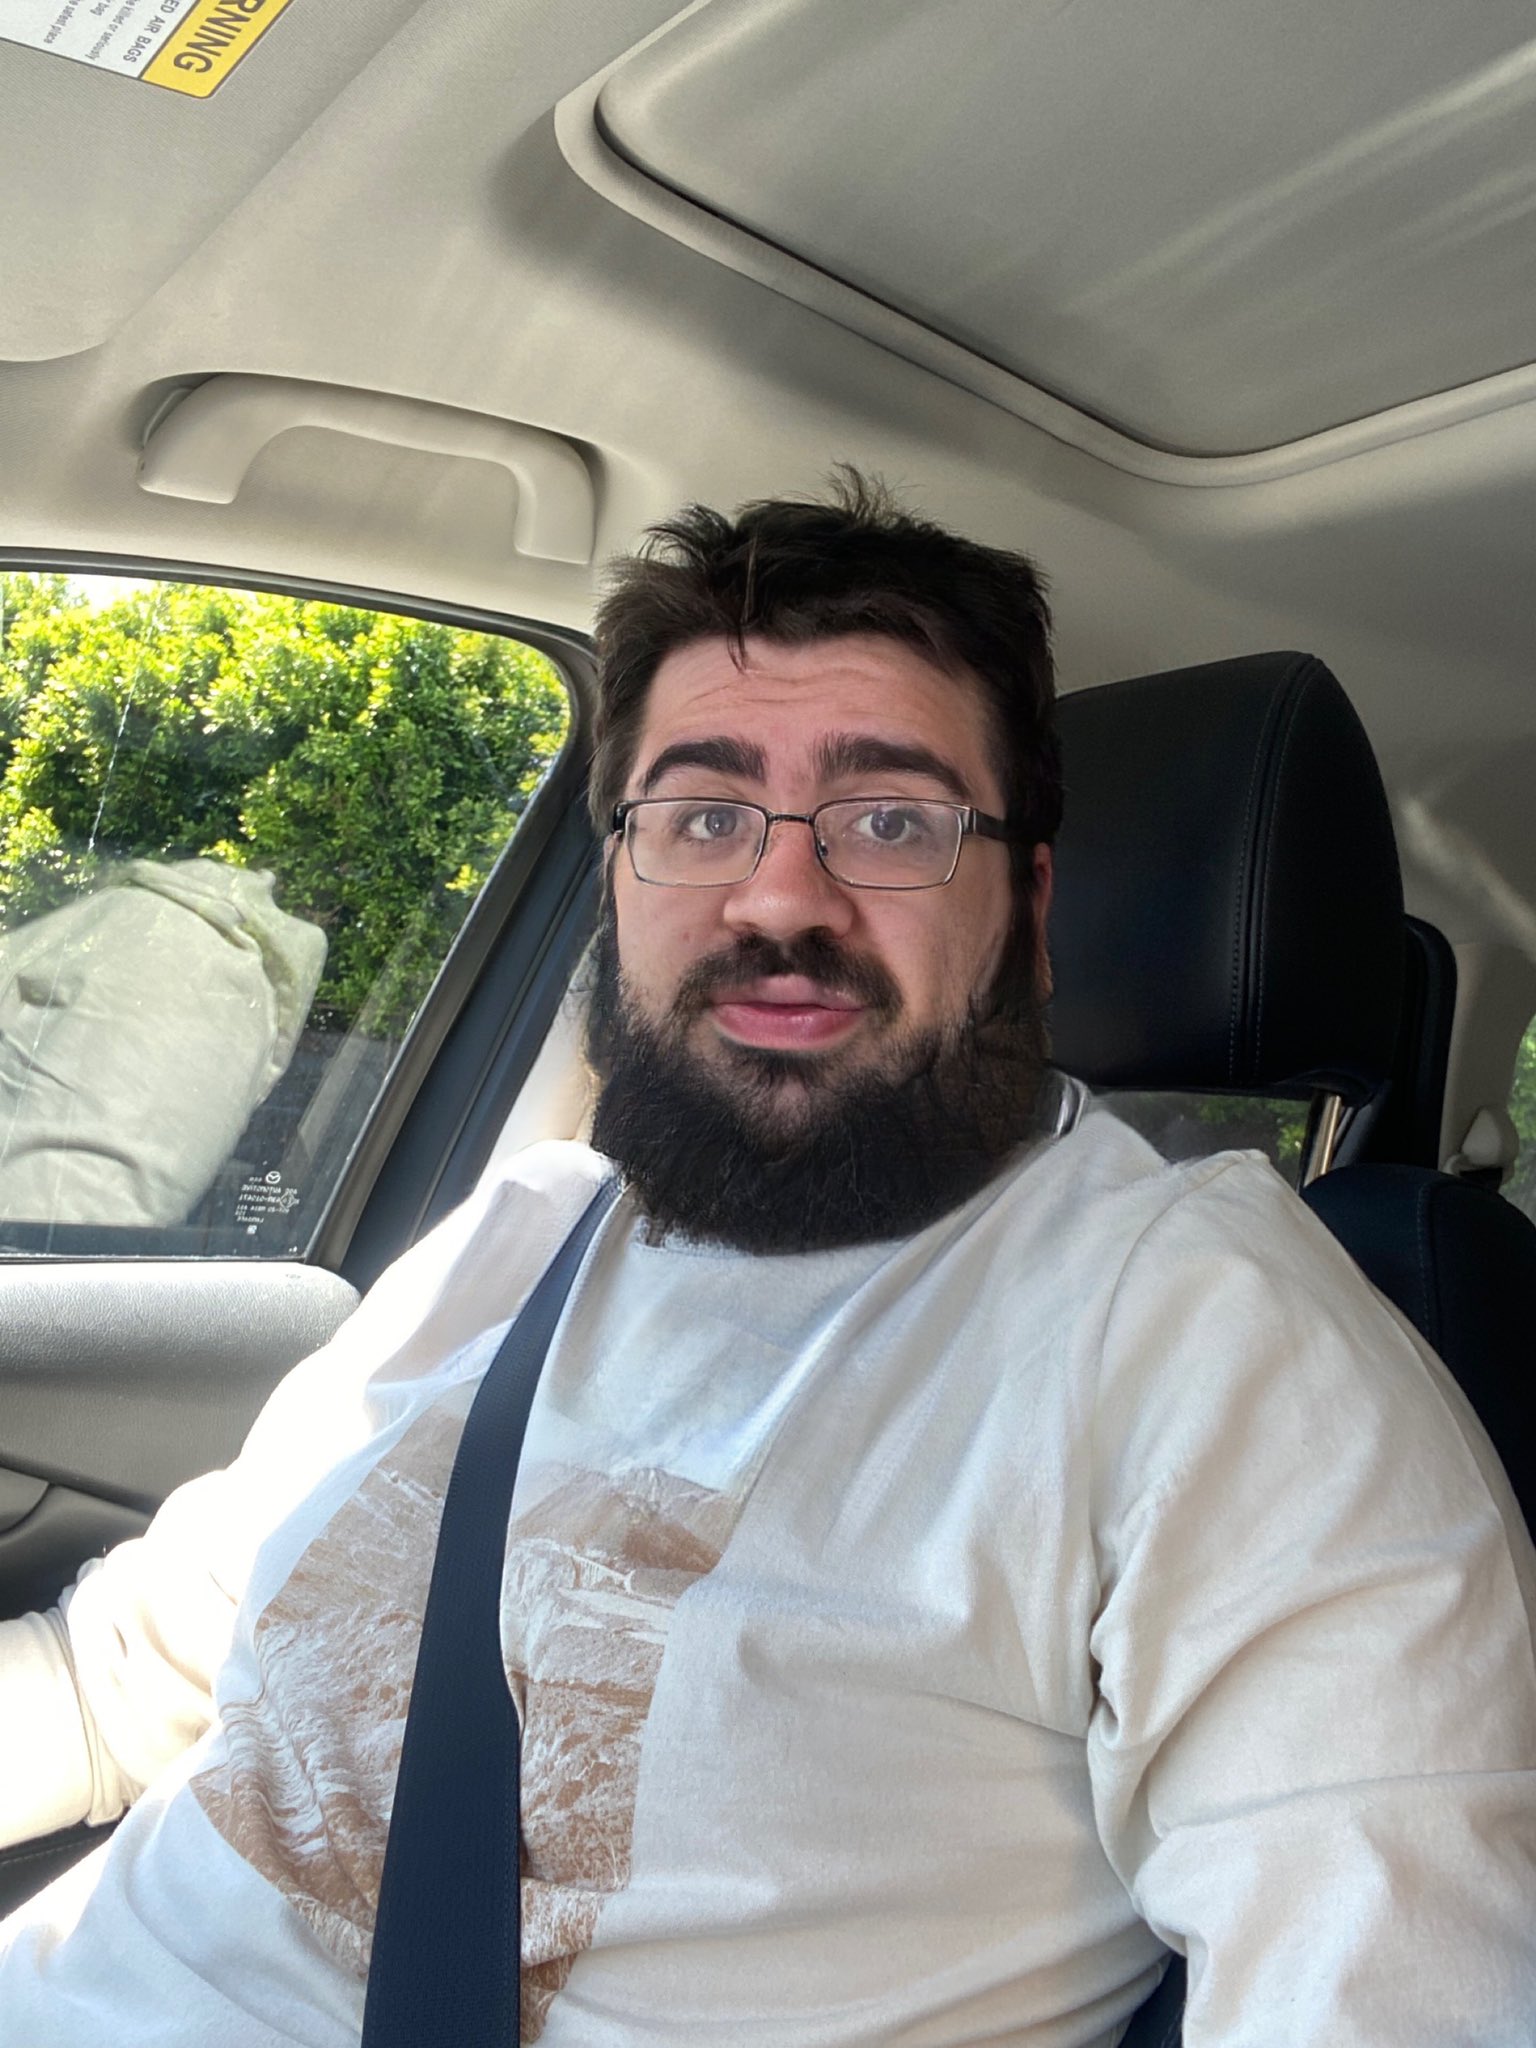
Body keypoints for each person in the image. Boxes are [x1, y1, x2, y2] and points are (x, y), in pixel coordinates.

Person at [0, 475, 1532, 2046]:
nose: (783, 894)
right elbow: (115, 1683)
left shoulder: (1205, 1332)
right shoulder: (518, 1236)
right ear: (620, 882)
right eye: (703, 816)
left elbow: (1385, 1978)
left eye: (895, 821)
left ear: (1029, 911)